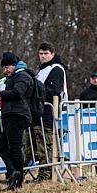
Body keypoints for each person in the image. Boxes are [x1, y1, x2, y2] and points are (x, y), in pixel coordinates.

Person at [0, 52, 33, 190]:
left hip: (17, 115)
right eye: (3, 68)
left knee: (15, 148)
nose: (4, 71)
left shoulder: (22, 76)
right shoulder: (13, 77)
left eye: (6, 67)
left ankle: (18, 180)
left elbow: (18, 92)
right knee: (1, 147)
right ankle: (14, 174)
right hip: (10, 115)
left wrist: (1, 94)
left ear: (14, 65)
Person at [31, 42, 68, 181]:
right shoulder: (42, 69)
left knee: (45, 145)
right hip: (39, 111)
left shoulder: (56, 69)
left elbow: (53, 92)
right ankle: (41, 173)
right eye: (41, 53)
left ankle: (45, 175)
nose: (43, 56)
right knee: (39, 145)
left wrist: (36, 93)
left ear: (52, 54)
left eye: (46, 53)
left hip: (49, 112)